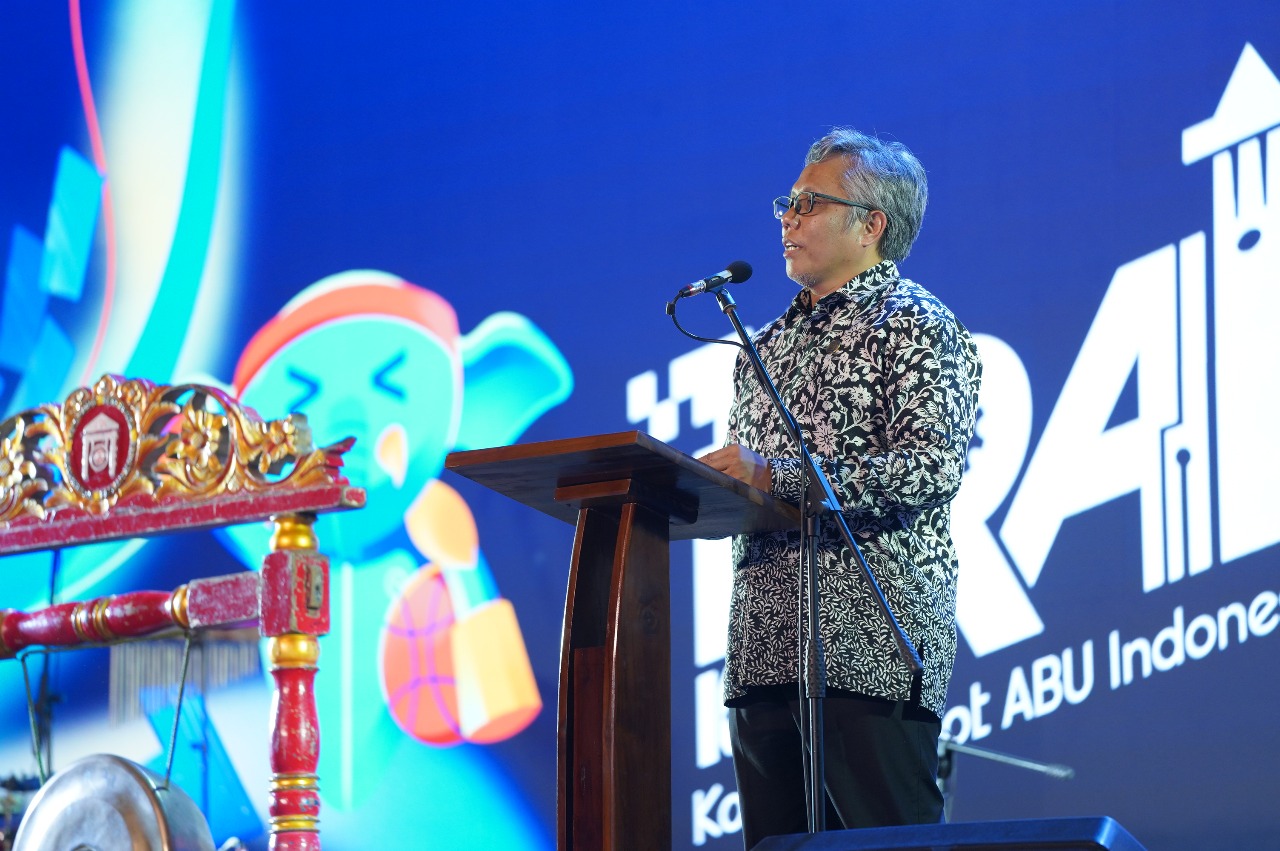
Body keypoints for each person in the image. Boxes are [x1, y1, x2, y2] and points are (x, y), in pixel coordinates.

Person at [698, 127, 982, 848]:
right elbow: (753, 487)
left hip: (869, 652)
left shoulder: (916, 324)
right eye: (787, 204)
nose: (788, 218)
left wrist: (779, 475)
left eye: (810, 203)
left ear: (871, 225)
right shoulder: (763, 347)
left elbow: (929, 468)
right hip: (763, 650)